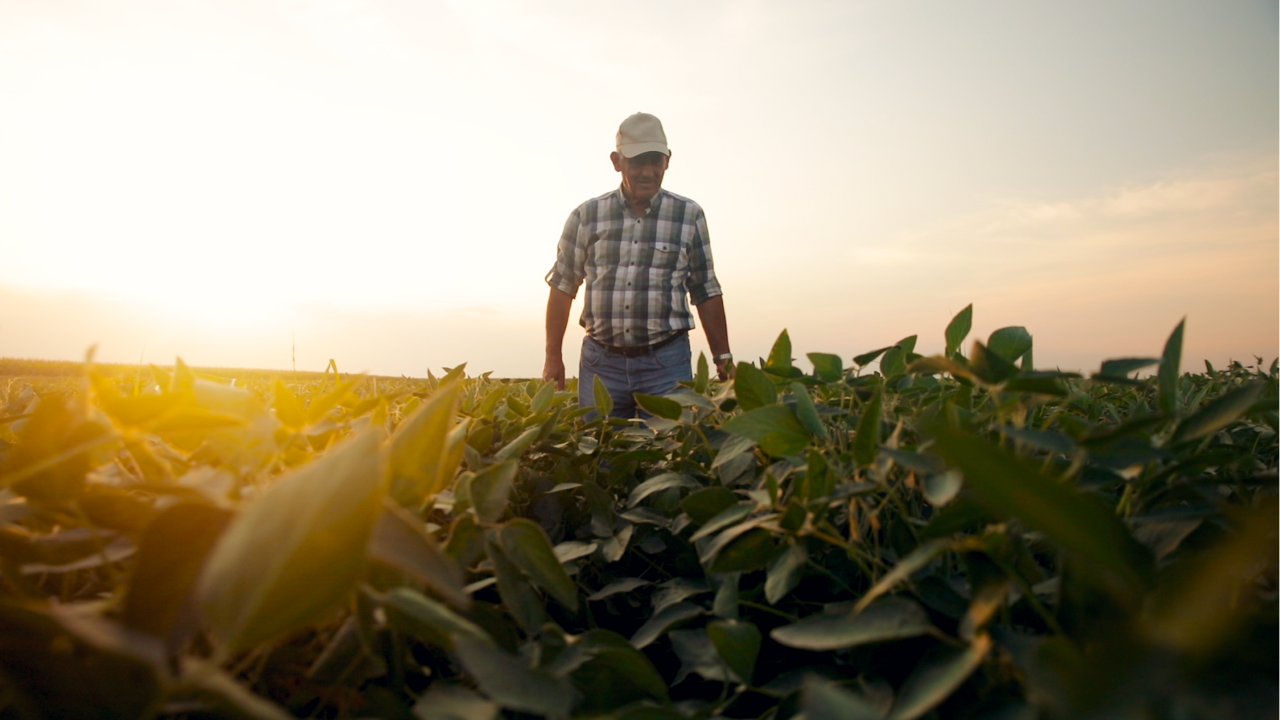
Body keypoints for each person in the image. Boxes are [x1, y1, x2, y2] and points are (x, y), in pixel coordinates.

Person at [543, 112, 732, 418]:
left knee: (669, 457)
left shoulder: (689, 214)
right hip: (600, 365)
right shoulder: (586, 216)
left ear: (667, 161)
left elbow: (705, 288)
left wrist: (722, 355)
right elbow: (563, 286)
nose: (648, 172)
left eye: (655, 161)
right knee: (600, 459)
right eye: (637, 162)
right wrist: (553, 357)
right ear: (617, 162)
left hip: (667, 364)